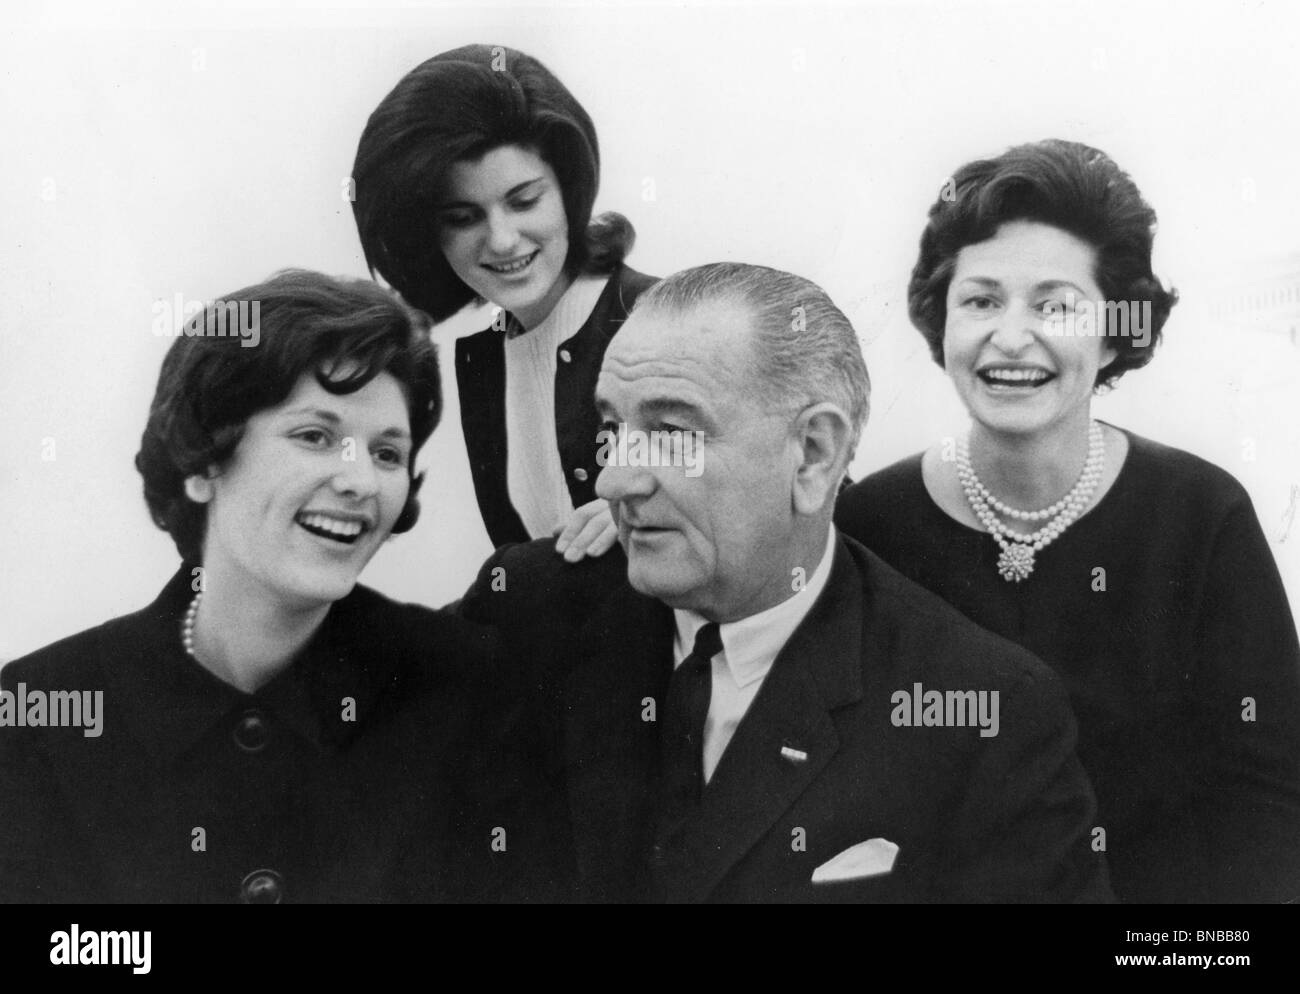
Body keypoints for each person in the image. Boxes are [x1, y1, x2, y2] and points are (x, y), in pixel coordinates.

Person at [458, 262, 1111, 903]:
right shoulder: (528, 609)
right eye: (613, 430)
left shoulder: (982, 713)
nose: (614, 480)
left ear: (814, 454)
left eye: (671, 433)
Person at [834, 139, 1300, 903]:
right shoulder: (870, 525)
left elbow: (1268, 805)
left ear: (1117, 329)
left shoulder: (1200, 516)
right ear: (939, 322)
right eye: (981, 299)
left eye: (1055, 304)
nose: (1011, 337)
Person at [0, 270, 498, 903]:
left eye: (387, 453)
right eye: (315, 437)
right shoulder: (41, 711)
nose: (361, 483)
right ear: (206, 462)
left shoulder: (466, 687)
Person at [352, 44, 657, 559]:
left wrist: (664, 504)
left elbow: (791, 493)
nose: (502, 240)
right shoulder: (484, 357)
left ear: (569, 189)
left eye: (524, 201)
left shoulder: (666, 316)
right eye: (463, 217)